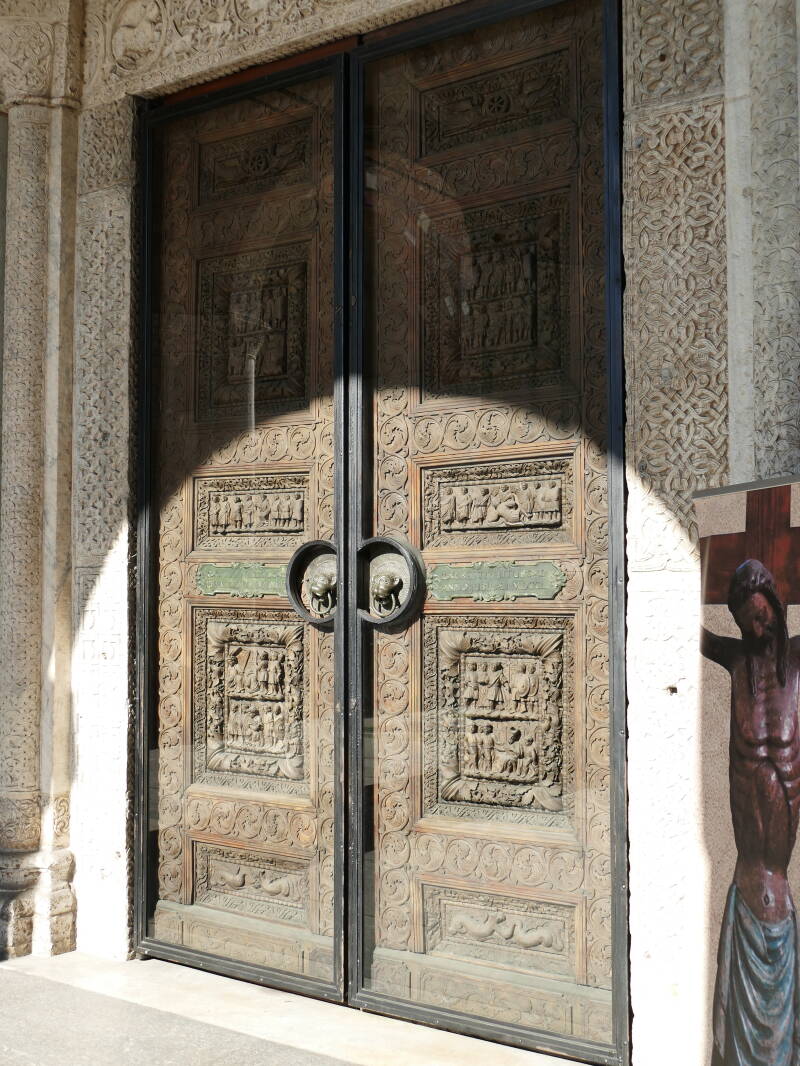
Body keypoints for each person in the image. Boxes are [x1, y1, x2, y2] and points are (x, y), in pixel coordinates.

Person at [701, 560, 800, 1066]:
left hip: (778, 880)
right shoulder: (736, 659)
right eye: (744, 621)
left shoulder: (798, 660)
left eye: (761, 618)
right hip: (744, 875)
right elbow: (691, 633)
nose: (755, 629)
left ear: (777, 609)